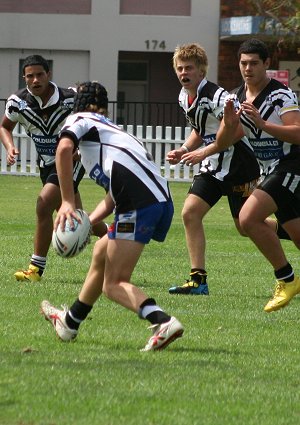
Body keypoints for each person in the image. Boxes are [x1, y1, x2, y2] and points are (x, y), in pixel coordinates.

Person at [40, 81, 184, 351]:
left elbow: (60, 150)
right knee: (101, 255)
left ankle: (162, 321)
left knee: (114, 283)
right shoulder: (113, 133)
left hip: (138, 203)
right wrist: (89, 221)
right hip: (159, 201)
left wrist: (68, 202)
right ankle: (70, 322)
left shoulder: (78, 119)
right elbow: (113, 194)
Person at [201, 38, 300, 312]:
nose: (248, 68)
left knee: (247, 218)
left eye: (254, 63)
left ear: (267, 64)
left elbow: (298, 132)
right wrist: (216, 137)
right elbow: (227, 138)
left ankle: (286, 279)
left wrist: (263, 123)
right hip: (271, 170)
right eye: (243, 63)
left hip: (291, 165)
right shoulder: (236, 97)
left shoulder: (282, 95)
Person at [166, 43, 264, 296]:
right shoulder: (182, 95)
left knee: (246, 227)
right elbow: (201, 128)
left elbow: (237, 130)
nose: (183, 72)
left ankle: (289, 227)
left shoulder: (219, 96)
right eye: (179, 68)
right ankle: (198, 281)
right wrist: (185, 148)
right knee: (190, 212)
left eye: (188, 68)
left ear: (201, 71)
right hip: (212, 166)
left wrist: (203, 152)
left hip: (240, 166)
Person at [0, 55, 107, 282]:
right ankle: (115, 234)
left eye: (40, 74)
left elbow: (93, 121)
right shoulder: (17, 103)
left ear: (49, 75)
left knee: (44, 203)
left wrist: (81, 148)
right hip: (46, 164)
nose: (35, 80)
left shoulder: (70, 99)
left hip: (72, 161)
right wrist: (10, 147)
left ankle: (36, 269)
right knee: (78, 219)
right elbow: (4, 127)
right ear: (24, 78)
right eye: (30, 76)